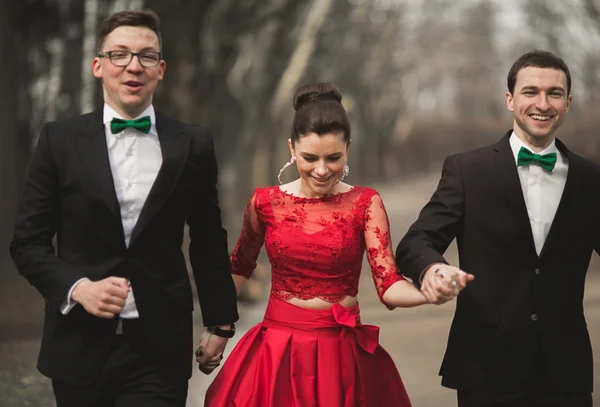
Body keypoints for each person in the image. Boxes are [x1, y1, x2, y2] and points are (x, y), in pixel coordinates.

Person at [9, 10, 238, 407]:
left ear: (161, 69)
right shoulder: (58, 141)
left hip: (159, 349)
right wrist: (78, 289)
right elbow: (27, 242)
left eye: (146, 56)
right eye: (120, 55)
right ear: (98, 65)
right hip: (77, 346)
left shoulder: (193, 143)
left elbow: (207, 237)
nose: (133, 66)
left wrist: (220, 321)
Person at [201, 82, 461, 407]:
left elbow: (389, 284)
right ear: (292, 149)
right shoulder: (264, 203)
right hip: (276, 354)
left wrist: (429, 292)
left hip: (340, 355)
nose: (322, 170)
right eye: (310, 158)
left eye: (333, 158)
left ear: (348, 149)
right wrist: (218, 327)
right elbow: (240, 267)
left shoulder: (366, 203)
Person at [396, 50, 600, 407]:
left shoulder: (590, 179)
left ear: (568, 103)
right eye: (530, 91)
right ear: (510, 99)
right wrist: (432, 268)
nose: (543, 103)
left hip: (566, 371)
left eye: (554, 93)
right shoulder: (466, 170)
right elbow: (417, 240)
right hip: (485, 366)